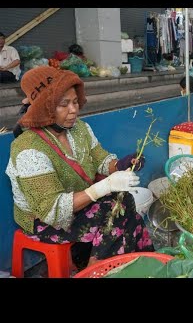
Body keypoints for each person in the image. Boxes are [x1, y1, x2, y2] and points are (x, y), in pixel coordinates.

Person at [5, 66, 154, 268]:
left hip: (79, 202)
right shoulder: (28, 150)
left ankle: (105, 263)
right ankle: (98, 268)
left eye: (75, 102)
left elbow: (100, 159)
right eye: (64, 104)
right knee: (114, 211)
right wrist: (104, 187)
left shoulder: (79, 129)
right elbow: (52, 210)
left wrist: (120, 165)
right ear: (45, 108)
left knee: (123, 201)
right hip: (42, 219)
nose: (74, 110)